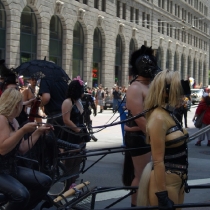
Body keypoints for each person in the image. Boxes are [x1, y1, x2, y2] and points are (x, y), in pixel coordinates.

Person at [137, 70, 190, 210]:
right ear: (166, 92)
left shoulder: (169, 114)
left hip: (178, 181)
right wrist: (162, 195)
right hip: (165, 184)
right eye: (177, 91)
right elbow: (158, 160)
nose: (181, 95)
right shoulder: (158, 118)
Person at [0, 88, 52, 210]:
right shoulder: (1, 119)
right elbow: (2, 149)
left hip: (10, 167)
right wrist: (23, 131)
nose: (23, 106)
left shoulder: (13, 121)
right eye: (21, 103)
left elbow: (22, 148)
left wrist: (38, 132)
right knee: (21, 194)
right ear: (15, 104)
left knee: (45, 181)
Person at [123, 45, 161, 207]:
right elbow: (139, 118)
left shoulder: (146, 86)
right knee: (140, 174)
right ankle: (135, 204)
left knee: (145, 173)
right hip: (138, 136)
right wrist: (155, 136)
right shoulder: (135, 88)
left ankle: (140, 202)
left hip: (144, 135)